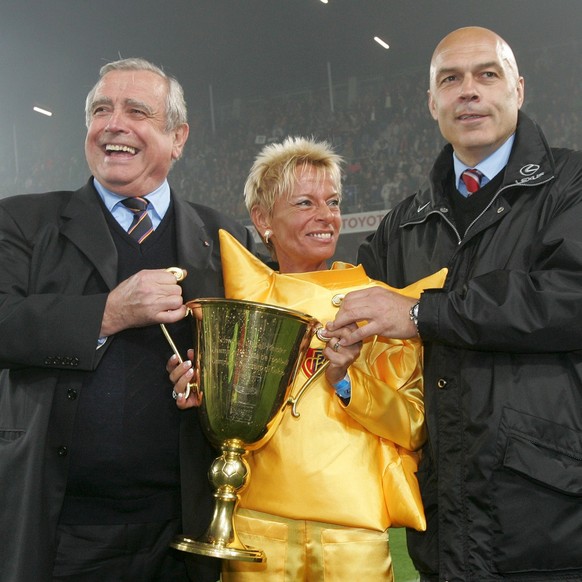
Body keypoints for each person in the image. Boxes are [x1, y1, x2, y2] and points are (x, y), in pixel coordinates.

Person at [327, 26, 582, 581]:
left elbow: (569, 298)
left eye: (486, 74)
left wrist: (422, 314)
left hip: (553, 525)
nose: (468, 90)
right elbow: (334, 300)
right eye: (451, 79)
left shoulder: (572, 185)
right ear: (432, 102)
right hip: (442, 531)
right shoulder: (404, 222)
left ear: (518, 88)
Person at [0, 57, 255, 582]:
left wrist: (216, 385)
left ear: (177, 137)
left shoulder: (228, 238)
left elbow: (250, 364)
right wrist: (108, 312)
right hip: (65, 526)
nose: (113, 123)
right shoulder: (23, 221)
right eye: (101, 109)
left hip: (182, 527)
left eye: (136, 111)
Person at [168, 136, 447, 581]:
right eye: (304, 202)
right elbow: (230, 424)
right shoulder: (240, 305)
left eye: (333, 202)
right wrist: (201, 393)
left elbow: (414, 427)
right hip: (256, 526)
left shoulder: (378, 305)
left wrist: (347, 380)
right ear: (263, 220)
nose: (326, 216)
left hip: (352, 531)